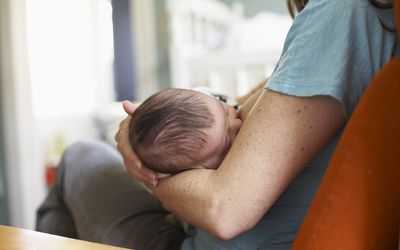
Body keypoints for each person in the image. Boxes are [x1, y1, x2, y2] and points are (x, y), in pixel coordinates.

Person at [36, 0, 399, 249]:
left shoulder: (340, 16)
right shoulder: (376, 22)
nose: (239, 124)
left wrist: (148, 172)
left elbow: (223, 209)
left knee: (79, 156)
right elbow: (242, 106)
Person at [129, 88, 242, 174]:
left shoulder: (208, 100)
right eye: (227, 140)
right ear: (199, 170)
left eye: (226, 111)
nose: (238, 123)